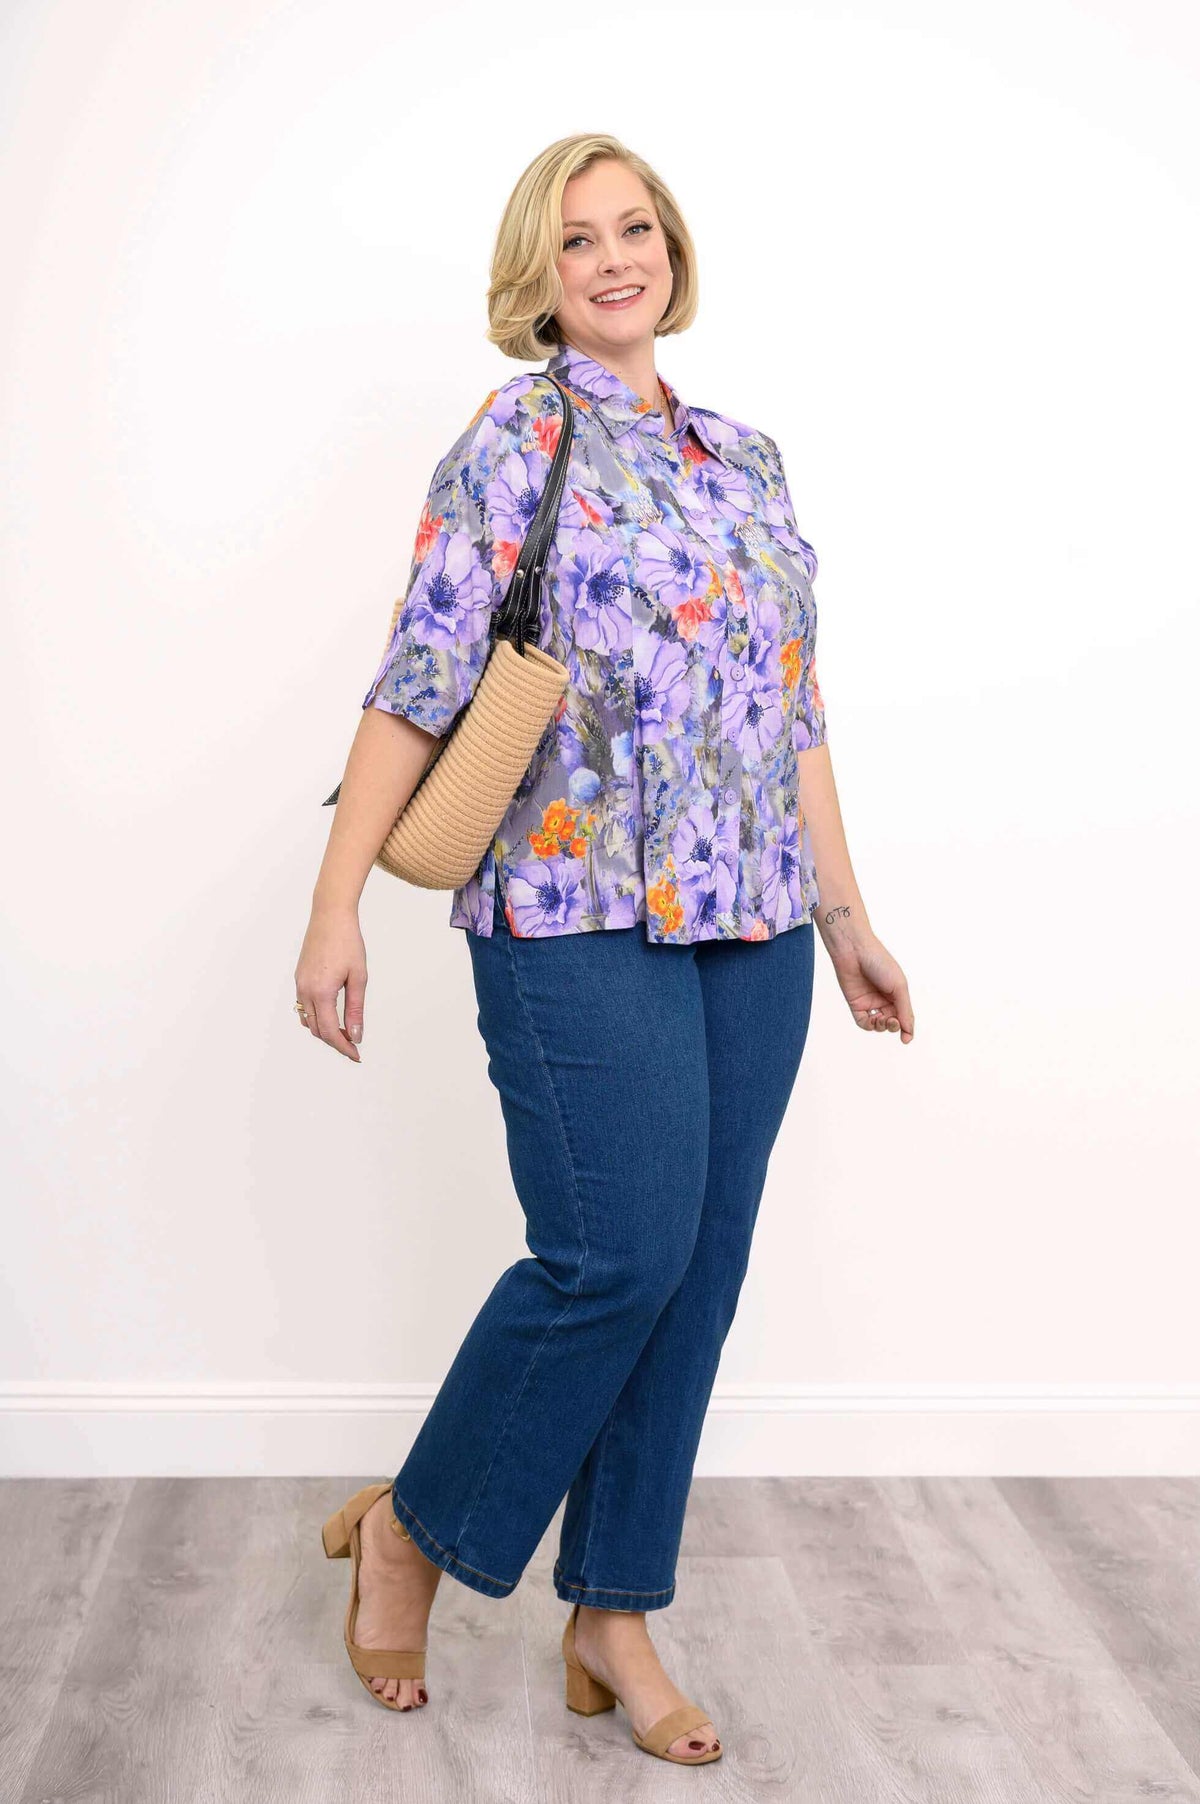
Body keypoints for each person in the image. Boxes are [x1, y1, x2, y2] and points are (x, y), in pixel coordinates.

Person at [295, 132, 914, 1766]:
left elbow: (796, 719)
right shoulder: (517, 440)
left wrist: (846, 918)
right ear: (540, 275)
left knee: (694, 1280)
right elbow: (420, 679)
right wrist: (335, 896)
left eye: (637, 228)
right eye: (580, 240)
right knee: (615, 1257)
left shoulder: (747, 461)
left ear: (672, 249)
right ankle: (415, 1534)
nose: (616, 258)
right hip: (571, 910)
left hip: (755, 920)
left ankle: (615, 1611)